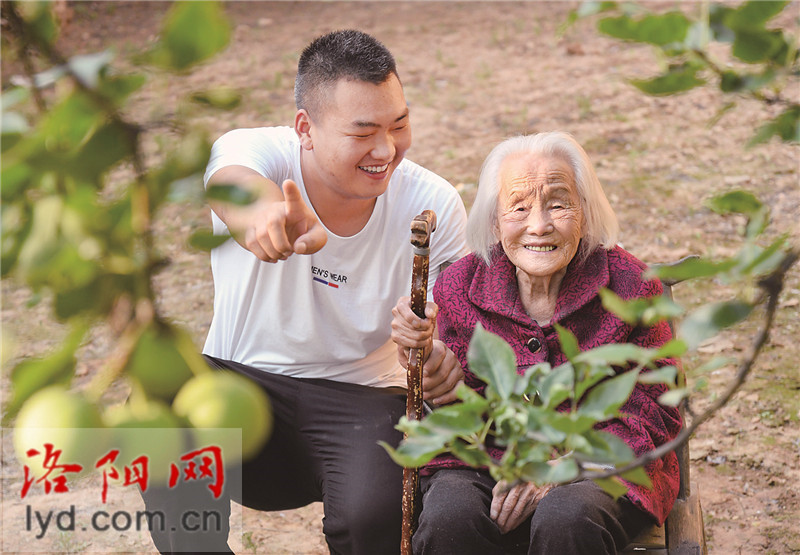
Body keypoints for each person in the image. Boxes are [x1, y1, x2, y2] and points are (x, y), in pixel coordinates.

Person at [142, 30, 468, 554]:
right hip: (239, 394)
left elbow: (454, 327)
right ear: (305, 129)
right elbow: (238, 188)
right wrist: (267, 219)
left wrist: (439, 359)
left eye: (399, 124)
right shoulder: (251, 149)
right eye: (362, 132)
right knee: (158, 388)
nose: (386, 149)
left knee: (373, 520)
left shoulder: (434, 204)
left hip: (364, 405)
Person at [391, 132, 682, 554]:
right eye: (519, 206)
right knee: (448, 519)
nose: (539, 224)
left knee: (566, 517)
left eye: (559, 203)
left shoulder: (633, 289)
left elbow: (655, 416)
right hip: (487, 461)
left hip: (602, 465)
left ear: (584, 210)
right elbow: (457, 408)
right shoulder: (459, 285)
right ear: (494, 220)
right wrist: (433, 369)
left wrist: (562, 468)